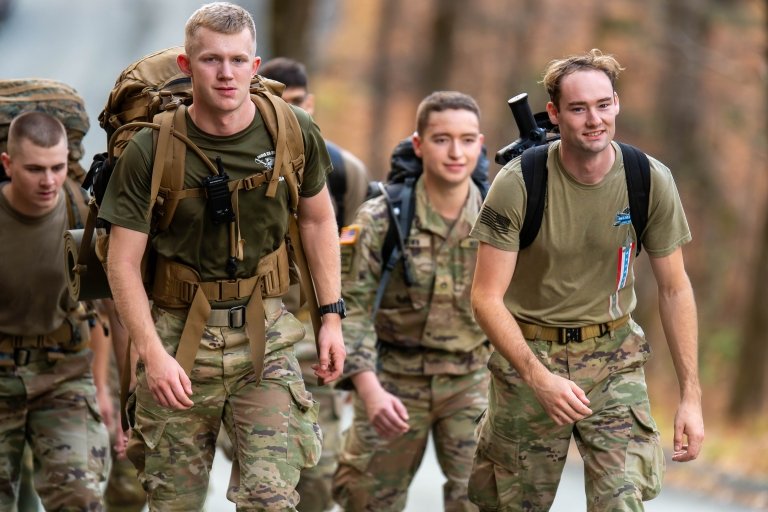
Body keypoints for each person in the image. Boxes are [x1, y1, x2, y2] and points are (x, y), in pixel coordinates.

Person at [97, 2, 346, 511]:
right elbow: (121, 261)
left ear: (256, 68)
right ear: (188, 67)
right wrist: (151, 353)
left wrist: (331, 317)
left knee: (272, 500)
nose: (226, 73)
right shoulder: (151, 150)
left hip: (266, 335)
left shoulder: (292, 130)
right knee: (174, 502)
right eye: (212, 60)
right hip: (176, 337)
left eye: (238, 60)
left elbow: (319, 220)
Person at [468, 48, 704, 511]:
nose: (594, 119)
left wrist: (690, 397)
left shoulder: (648, 179)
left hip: (614, 359)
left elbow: (676, 289)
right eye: (578, 108)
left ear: (616, 103)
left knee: (623, 500)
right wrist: (538, 378)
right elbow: (485, 298)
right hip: (530, 356)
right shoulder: (519, 183)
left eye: (603, 104)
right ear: (554, 114)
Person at [332, 91, 491, 511]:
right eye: (441, 139)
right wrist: (369, 391)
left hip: (473, 381)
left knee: (484, 498)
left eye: (467, 139)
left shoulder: (501, 220)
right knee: (365, 498)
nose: (456, 152)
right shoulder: (381, 218)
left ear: (480, 144)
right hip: (393, 381)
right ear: (419, 145)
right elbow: (352, 310)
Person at [259, 56, 369, 512]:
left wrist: (340, 331)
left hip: (314, 343)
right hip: (252, 339)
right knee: (261, 475)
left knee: (316, 480)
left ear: (313, 104)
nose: (290, 115)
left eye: (299, 104)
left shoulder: (345, 173)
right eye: (278, 104)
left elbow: (357, 269)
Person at [0, 111, 110, 510]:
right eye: (34, 169)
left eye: (57, 167)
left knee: (80, 497)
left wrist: (105, 391)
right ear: (7, 164)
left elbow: (102, 313)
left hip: (62, 374)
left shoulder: (82, 213)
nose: (48, 181)